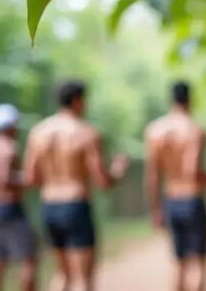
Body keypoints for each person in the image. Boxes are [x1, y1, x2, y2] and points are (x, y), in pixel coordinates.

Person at [23, 81, 129, 291]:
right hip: (75, 206)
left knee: (63, 275)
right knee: (84, 279)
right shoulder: (86, 133)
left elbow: (31, 178)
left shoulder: (38, 132)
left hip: (49, 207)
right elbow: (103, 181)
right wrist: (118, 169)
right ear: (78, 101)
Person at [145, 81, 206, 291]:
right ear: (189, 99)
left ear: (171, 99)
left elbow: (153, 176)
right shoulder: (195, 131)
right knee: (200, 264)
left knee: (179, 264)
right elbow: (193, 173)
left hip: (171, 200)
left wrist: (156, 209)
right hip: (192, 201)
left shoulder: (154, 131)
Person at [0, 104, 38, 291]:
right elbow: (4, 178)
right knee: (29, 260)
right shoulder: (8, 147)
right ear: (10, 126)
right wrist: (28, 178)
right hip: (10, 208)